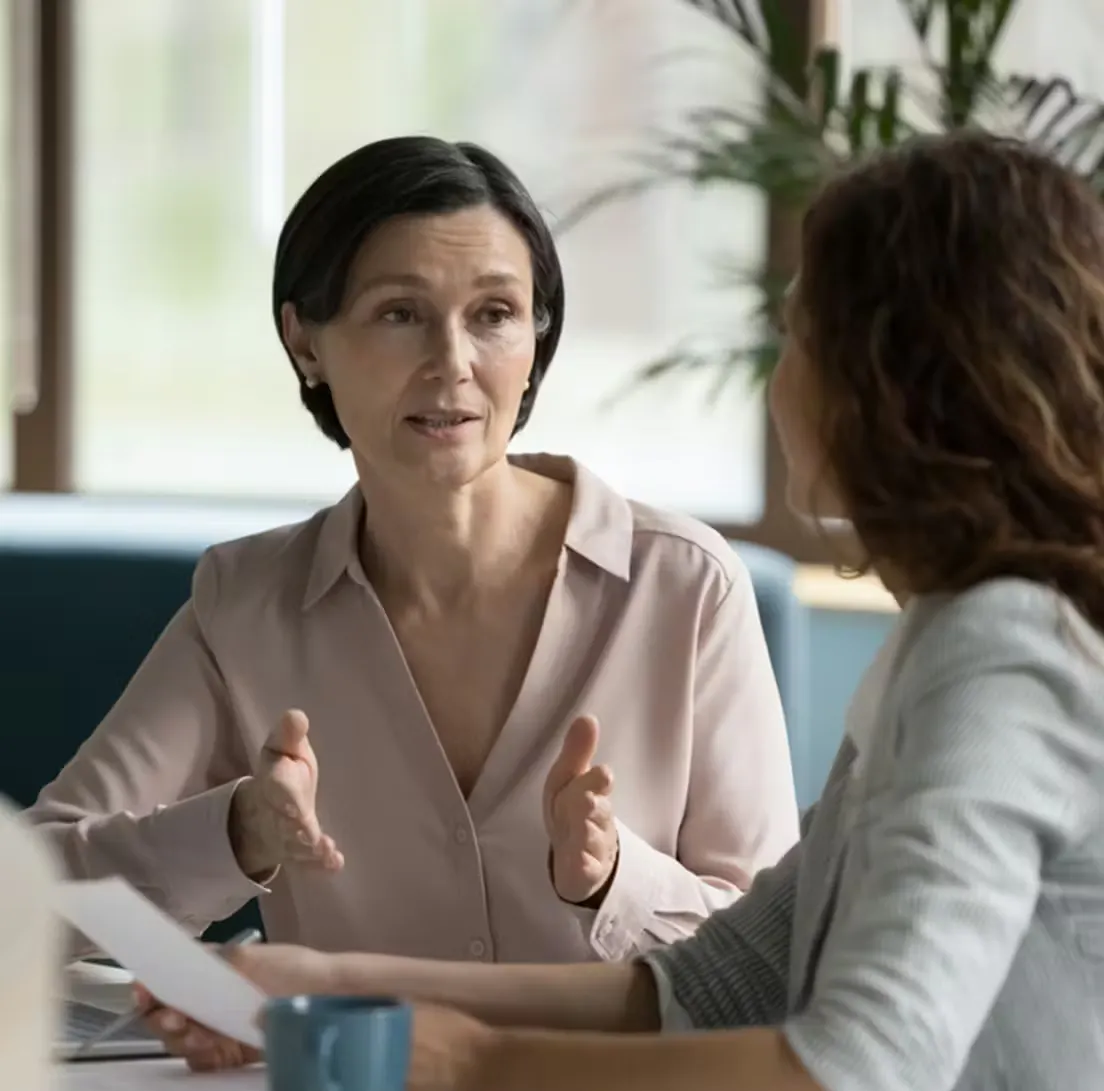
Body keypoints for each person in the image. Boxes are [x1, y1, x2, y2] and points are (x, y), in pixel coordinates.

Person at [150, 131, 1104, 1091]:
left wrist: (469, 1065)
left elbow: (858, 1073)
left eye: (799, 338)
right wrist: (333, 985)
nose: (779, 381)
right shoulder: (952, 638)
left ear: (893, 385)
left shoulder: (1001, 658)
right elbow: (719, 984)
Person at [27, 135, 799, 964]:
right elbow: (33, 897)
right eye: (401, 314)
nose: (453, 363)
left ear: (536, 340)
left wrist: (616, 879)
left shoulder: (686, 588)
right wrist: (237, 833)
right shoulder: (245, 605)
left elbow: (774, 959)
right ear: (306, 342)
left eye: (494, 315)